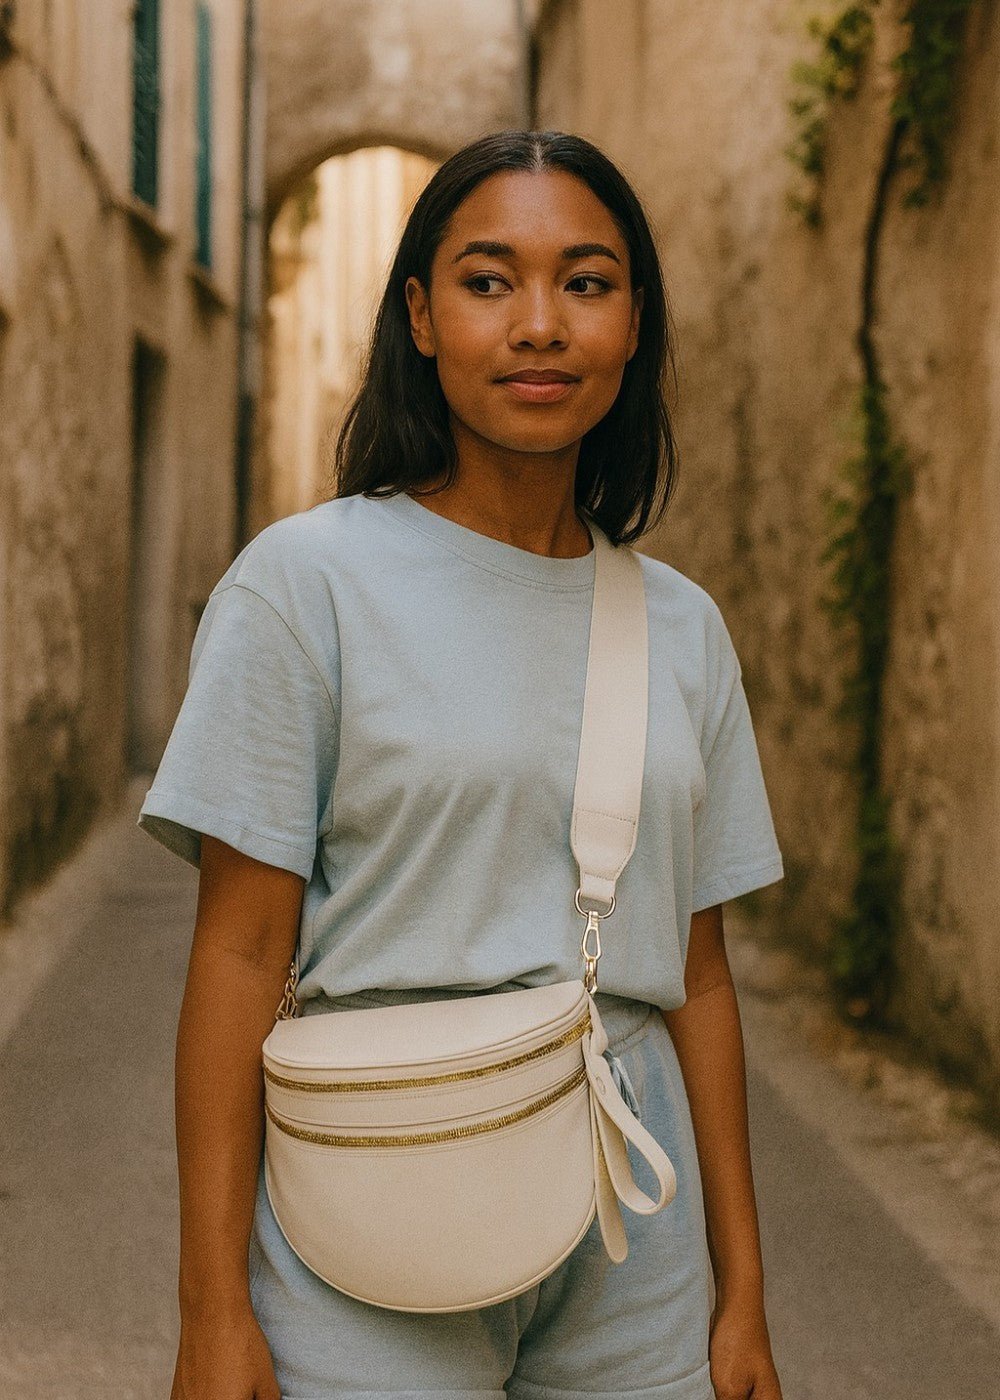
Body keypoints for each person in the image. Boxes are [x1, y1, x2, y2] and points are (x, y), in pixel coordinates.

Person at [138, 128, 786, 1400]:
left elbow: (699, 978)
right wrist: (213, 1310)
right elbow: (237, 953)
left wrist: (741, 1294)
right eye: (490, 281)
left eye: (585, 282)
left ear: (635, 321)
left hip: (630, 1231)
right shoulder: (304, 585)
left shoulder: (684, 628)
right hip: (376, 1190)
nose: (539, 323)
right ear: (421, 317)